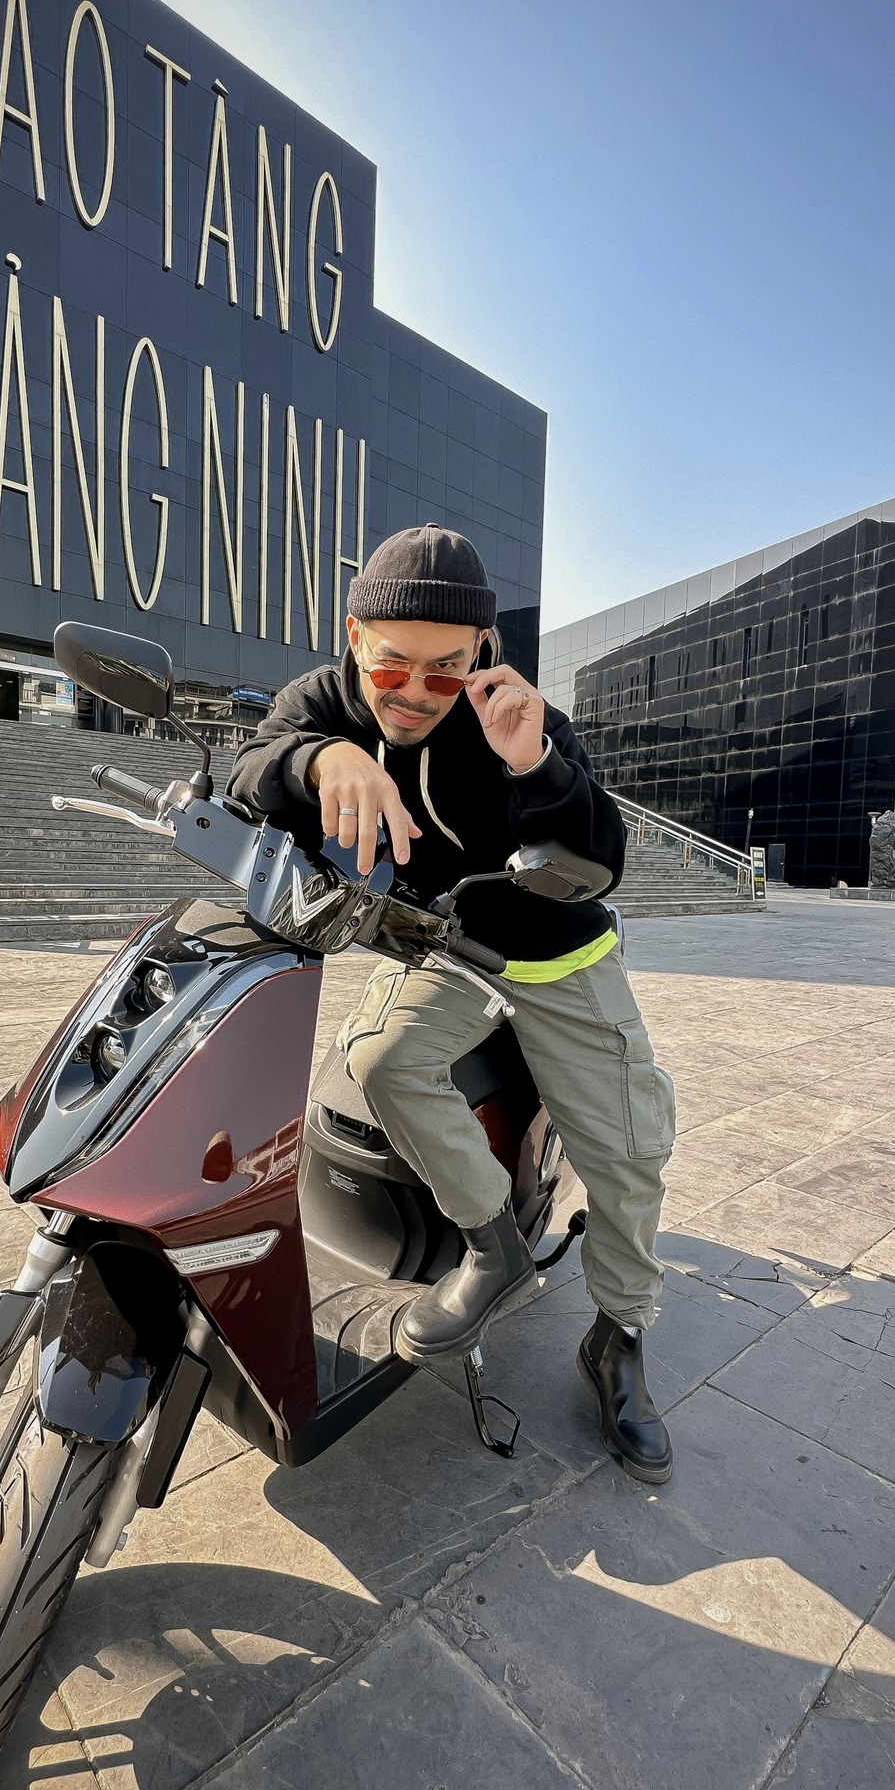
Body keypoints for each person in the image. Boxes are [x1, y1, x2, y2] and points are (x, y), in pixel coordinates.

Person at [228, 524, 676, 1481]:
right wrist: (319, 760)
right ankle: (492, 1244)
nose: (416, 694)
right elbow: (249, 766)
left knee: (631, 1152)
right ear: (356, 637)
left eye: (447, 669)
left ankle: (620, 1335)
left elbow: (604, 858)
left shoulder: (515, 717)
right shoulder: (326, 703)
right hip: (444, 948)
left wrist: (535, 765)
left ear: (482, 651)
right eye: (394, 665)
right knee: (378, 1060)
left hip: (559, 956)